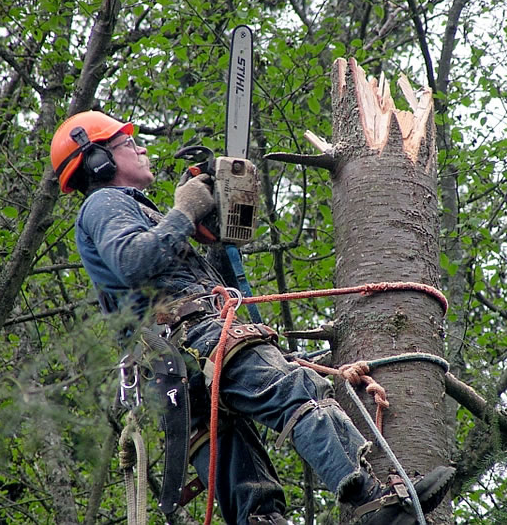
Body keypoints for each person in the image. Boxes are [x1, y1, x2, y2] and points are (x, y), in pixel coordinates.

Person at [50, 110, 455, 525]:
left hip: (176, 367)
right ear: (99, 160)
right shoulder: (105, 203)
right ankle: (372, 501)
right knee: (298, 391)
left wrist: (214, 228)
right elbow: (133, 260)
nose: (141, 148)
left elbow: (215, 288)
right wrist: (185, 211)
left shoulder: (136, 215)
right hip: (192, 339)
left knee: (245, 478)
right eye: (127, 143)